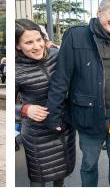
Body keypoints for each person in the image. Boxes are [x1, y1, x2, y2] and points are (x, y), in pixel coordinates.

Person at [45, 0, 110, 187]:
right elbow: (61, 79)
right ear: (100, 12)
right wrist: (54, 116)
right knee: (89, 164)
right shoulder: (76, 36)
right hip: (89, 115)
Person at [15, 19, 76, 187]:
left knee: (61, 175)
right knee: (38, 180)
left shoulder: (57, 56)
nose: (37, 46)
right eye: (28, 42)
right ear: (18, 46)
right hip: (37, 135)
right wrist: (25, 109)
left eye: (39, 40)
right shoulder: (16, 69)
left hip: (63, 128)